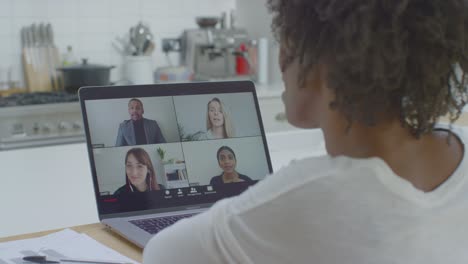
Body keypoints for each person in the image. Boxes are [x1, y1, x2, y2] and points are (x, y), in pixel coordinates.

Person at [144, 0, 468, 263]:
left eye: (288, 43)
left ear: (320, 63)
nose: (282, 61)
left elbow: (161, 254)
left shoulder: (307, 197)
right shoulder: (460, 146)